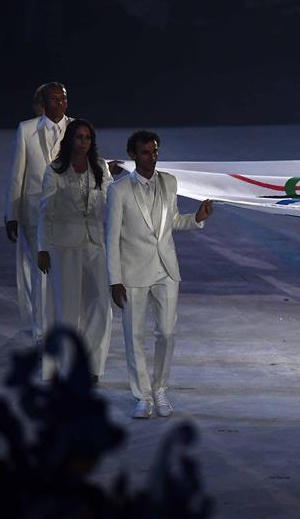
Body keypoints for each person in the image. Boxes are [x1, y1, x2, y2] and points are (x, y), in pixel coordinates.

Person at [106, 130, 214, 418]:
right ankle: (142, 396)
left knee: (167, 332)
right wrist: (114, 279)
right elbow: (112, 237)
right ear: (132, 155)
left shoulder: (169, 182)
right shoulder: (118, 190)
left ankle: (160, 389)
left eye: (154, 152)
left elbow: (173, 222)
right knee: (134, 336)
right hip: (132, 273)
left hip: (166, 270)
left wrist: (198, 219)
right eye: (144, 152)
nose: (151, 158)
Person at [37, 119, 113, 381]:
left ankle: (92, 366)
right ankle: (69, 367)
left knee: (100, 305)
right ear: (70, 140)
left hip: (95, 244)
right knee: (68, 309)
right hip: (64, 247)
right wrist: (42, 248)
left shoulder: (100, 167)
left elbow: (111, 199)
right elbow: (45, 212)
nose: (83, 142)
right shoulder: (55, 170)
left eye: (88, 138)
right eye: (79, 137)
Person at [5, 82, 71, 351]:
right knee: (41, 270)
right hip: (35, 212)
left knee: (66, 270)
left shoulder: (78, 129)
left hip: (69, 213)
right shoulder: (26, 129)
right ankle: (42, 328)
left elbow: (91, 164)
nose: (60, 103)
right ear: (44, 103)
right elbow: (16, 174)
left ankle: (65, 323)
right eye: (54, 99)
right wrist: (12, 213)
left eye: (63, 98)